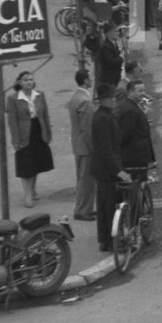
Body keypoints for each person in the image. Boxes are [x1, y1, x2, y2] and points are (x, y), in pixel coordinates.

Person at [90, 85, 131, 252]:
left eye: (114, 97)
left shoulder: (104, 115)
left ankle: (105, 240)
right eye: (110, 98)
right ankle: (110, 240)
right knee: (108, 205)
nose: (114, 100)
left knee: (104, 204)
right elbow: (105, 149)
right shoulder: (102, 118)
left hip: (103, 169)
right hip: (105, 170)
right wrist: (118, 171)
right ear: (103, 100)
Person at [6, 71, 54, 208]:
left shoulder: (39, 95)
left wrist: (48, 133)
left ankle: (32, 189)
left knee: (36, 162)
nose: (29, 82)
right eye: (26, 80)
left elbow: (45, 115)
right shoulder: (13, 99)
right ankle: (27, 194)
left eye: (31, 79)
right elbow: (12, 121)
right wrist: (15, 141)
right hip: (24, 133)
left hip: (38, 130)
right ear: (20, 82)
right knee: (26, 166)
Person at [66, 69, 96, 220]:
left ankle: (83, 208)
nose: (92, 79)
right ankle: (83, 210)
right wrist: (94, 147)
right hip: (85, 146)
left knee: (83, 178)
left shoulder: (76, 97)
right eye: (90, 77)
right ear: (85, 80)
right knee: (87, 180)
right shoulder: (84, 100)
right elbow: (88, 127)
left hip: (79, 144)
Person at [115, 79, 156, 172]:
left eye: (144, 90)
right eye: (140, 91)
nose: (143, 93)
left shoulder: (131, 105)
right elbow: (125, 134)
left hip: (136, 155)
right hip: (134, 157)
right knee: (139, 183)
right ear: (130, 92)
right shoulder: (130, 110)